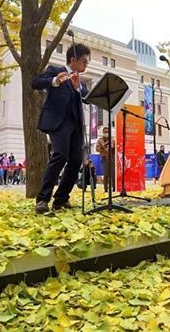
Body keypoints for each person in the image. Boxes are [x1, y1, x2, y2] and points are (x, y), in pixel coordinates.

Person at [33, 43, 91, 214]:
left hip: (76, 125)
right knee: (60, 156)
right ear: (73, 59)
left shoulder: (80, 82)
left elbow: (87, 98)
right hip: (59, 122)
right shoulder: (54, 70)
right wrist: (55, 81)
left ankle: (61, 199)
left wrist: (78, 87)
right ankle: (42, 200)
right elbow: (35, 82)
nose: (86, 65)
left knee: (75, 161)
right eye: (84, 61)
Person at [96, 126, 116, 193]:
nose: (106, 133)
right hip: (104, 159)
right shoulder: (100, 140)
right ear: (103, 132)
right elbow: (97, 149)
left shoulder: (113, 139)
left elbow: (116, 147)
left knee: (113, 174)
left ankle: (114, 188)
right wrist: (103, 147)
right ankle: (106, 189)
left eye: (108, 132)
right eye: (105, 132)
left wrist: (113, 147)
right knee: (106, 174)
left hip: (112, 158)